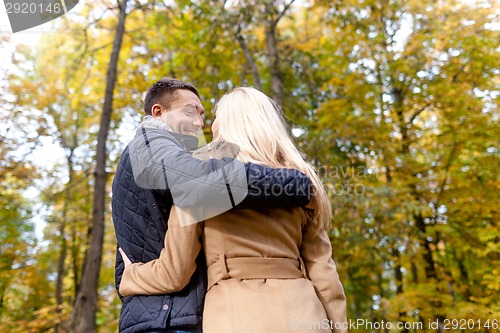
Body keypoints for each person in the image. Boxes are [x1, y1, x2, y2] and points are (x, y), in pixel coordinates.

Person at [118, 87, 347, 333]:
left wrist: (130, 276)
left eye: (215, 118)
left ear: (227, 124)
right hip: (303, 313)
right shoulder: (300, 177)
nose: (209, 125)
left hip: (234, 316)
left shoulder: (199, 174)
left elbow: (176, 272)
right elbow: (325, 274)